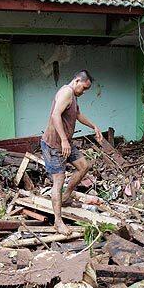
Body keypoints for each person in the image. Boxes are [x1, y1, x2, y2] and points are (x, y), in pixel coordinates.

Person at [41, 70, 103, 235]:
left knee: (84, 166)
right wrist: (63, 140)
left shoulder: (73, 96)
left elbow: (78, 115)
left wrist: (94, 126)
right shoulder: (67, 92)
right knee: (58, 181)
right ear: (77, 81)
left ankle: (66, 197)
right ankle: (58, 222)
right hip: (54, 144)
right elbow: (55, 115)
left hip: (64, 142)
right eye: (84, 88)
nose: (84, 92)